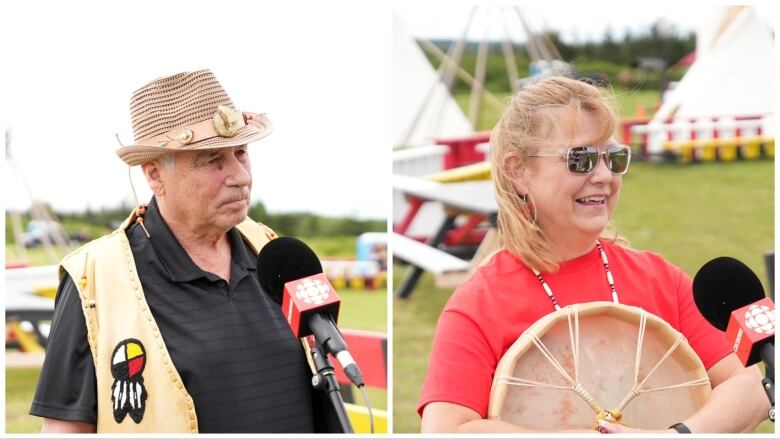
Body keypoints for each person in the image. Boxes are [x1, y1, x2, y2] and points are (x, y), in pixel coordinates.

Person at [418, 76, 769, 433]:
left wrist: (676, 435)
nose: (604, 176)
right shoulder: (478, 305)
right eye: (581, 159)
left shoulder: (660, 279)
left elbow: (750, 388)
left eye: (614, 158)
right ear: (518, 171)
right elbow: (447, 429)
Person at [29, 69, 331, 433]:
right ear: (154, 174)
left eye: (240, 153)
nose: (240, 175)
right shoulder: (94, 279)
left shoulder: (273, 252)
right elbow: (65, 429)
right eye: (212, 160)